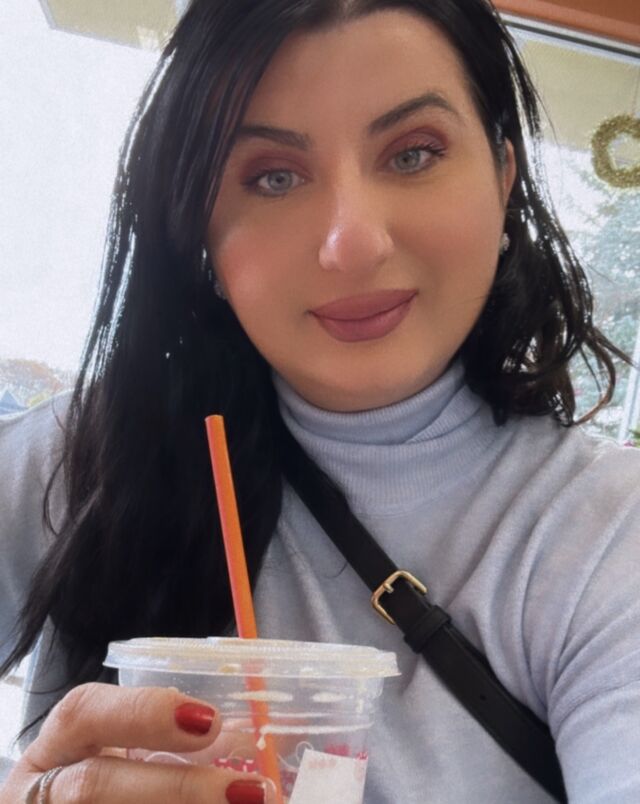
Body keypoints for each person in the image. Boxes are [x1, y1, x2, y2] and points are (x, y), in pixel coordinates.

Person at [1, 0, 639, 801]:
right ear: (200, 232)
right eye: (273, 177)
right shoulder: (80, 461)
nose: (353, 243)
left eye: (413, 154)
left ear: (504, 175)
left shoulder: (607, 535)